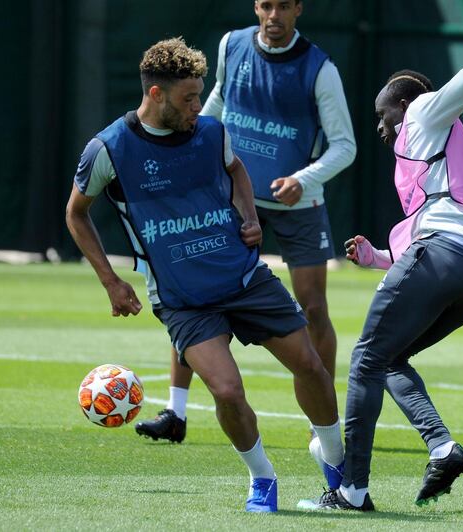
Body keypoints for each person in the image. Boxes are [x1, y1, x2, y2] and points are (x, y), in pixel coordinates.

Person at [65, 37, 345, 512]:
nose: (198, 106)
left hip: (243, 277)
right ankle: (262, 478)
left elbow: (236, 171)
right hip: (183, 298)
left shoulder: (213, 132)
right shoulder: (109, 149)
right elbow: (76, 213)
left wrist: (250, 216)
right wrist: (111, 281)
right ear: (155, 95)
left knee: (312, 367)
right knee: (228, 391)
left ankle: (337, 467)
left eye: (199, 96)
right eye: (188, 98)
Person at [300, 24, 463, 512]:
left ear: (406, 103)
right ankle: (442, 447)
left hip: (445, 255)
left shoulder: (423, 112)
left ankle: (351, 491)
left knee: (367, 358)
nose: (381, 124)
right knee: (390, 358)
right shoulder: (428, 163)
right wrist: (375, 258)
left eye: (382, 113)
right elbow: (423, 239)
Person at [135, 0, 356, 462]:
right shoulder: (231, 45)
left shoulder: (320, 68)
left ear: (299, 9)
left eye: (283, 6)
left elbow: (345, 146)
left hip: (299, 203)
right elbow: (215, 103)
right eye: (265, 5)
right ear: (257, 7)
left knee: (313, 307)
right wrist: (189, 142)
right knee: (192, 291)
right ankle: (175, 412)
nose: (273, 15)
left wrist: (304, 179)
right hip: (235, 198)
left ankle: (328, 421)